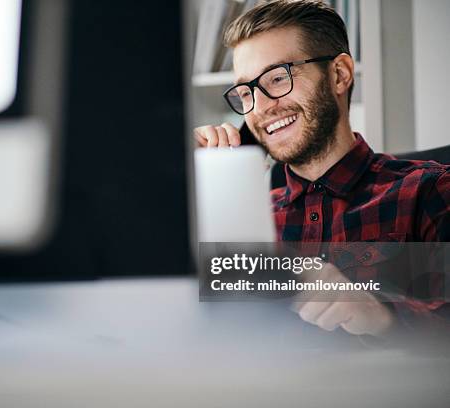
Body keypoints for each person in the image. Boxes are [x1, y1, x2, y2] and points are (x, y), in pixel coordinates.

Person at [193, 0, 450, 337]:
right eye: (246, 92)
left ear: (339, 74)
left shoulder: (429, 191)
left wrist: (383, 315)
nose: (262, 108)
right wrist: (185, 194)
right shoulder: (247, 223)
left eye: (277, 77)